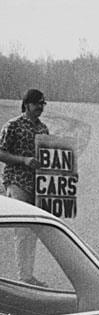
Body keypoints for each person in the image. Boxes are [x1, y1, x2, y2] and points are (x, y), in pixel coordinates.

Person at [0, 89, 49, 286]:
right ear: (27, 104)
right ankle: (24, 277)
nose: (40, 107)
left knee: (33, 229)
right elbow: (0, 152)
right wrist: (23, 160)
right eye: (37, 103)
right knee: (22, 229)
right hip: (17, 180)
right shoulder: (13, 125)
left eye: (43, 104)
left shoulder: (44, 129)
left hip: (37, 184)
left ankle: (28, 274)